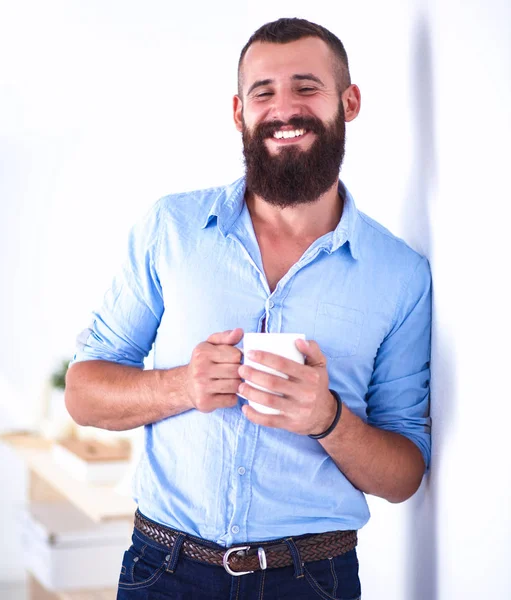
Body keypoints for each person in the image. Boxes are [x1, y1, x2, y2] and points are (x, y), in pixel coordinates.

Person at [66, 17, 432, 600]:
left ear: (350, 101)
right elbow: (83, 392)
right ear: (239, 112)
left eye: (306, 87)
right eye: (264, 93)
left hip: (314, 580)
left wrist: (328, 419)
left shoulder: (402, 276)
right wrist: (182, 386)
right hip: (163, 570)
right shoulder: (171, 230)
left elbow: (405, 473)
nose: (284, 109)